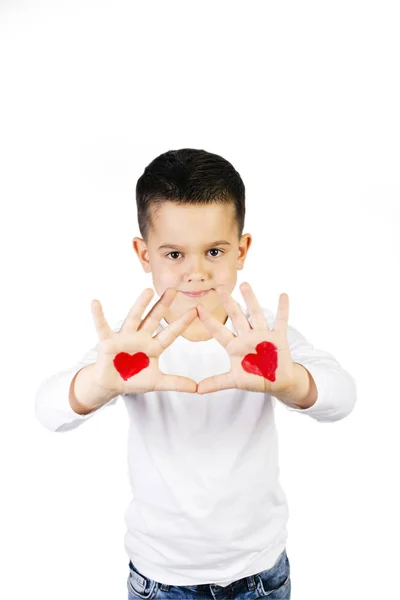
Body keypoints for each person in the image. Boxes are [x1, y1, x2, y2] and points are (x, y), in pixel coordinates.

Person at [35, 148, 357, 599]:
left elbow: (343, 396)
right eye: (173, 254)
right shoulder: (134, 344)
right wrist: (99, 382)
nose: (196, 272)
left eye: (213, 250)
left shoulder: (260, 335)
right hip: (160, 579)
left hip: (260, 574)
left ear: (241, 250)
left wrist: (292, 382)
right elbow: (49, 411)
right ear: (144, 255)